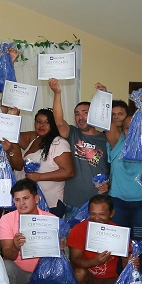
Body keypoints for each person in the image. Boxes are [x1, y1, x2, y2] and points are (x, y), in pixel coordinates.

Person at [0, 179, 73, 284]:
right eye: (17, 200)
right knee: (5, 266)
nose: (21, 203)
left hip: (44, 274)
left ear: (36, 198)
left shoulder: (51, 220)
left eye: (26, 198)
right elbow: (8, 255)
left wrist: (59, 246)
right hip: (19, 274)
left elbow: (58, 255)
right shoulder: (6, 220)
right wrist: (15, 247)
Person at [49, 78, 109, 221]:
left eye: (85, 112)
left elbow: (115, 168)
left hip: (99, 204)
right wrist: (57, 93)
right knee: (74, 241)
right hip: (73, 203)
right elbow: (58, 120)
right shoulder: (73, 133)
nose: (80, 117)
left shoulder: (106, 138)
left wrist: (109, 184)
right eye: (77, 114)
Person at [105, 97, 142, 243]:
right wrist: (104, 96)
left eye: (137, 127)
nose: (132, 131)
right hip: (118, 202)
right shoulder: (117, 142)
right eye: (128, 128)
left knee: (139, 244)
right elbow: (106, 122)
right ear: (122, 129)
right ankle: (121, 267)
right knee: (118, 243)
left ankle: (137, 267)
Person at [66, 195, 125, 284]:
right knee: (79, 273)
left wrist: (131, 267)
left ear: (112, 213)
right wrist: (95, 261)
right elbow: (74, 260)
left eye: (102, 214)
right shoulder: (79, 229)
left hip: (109, 278)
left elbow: (126, 260)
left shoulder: (119, 232)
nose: (97, 218)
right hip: (87, 277)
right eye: (93, 214)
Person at [15, 108, 74, 215]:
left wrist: (39, 177)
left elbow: (68, 172)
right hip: (30, 204)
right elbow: (12, 135)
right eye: (39, 121)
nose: (42, 125)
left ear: (53, 124)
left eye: (47, 122)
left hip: (50, 204)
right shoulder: (34, 139)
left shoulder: (59, 143)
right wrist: (14, 116)